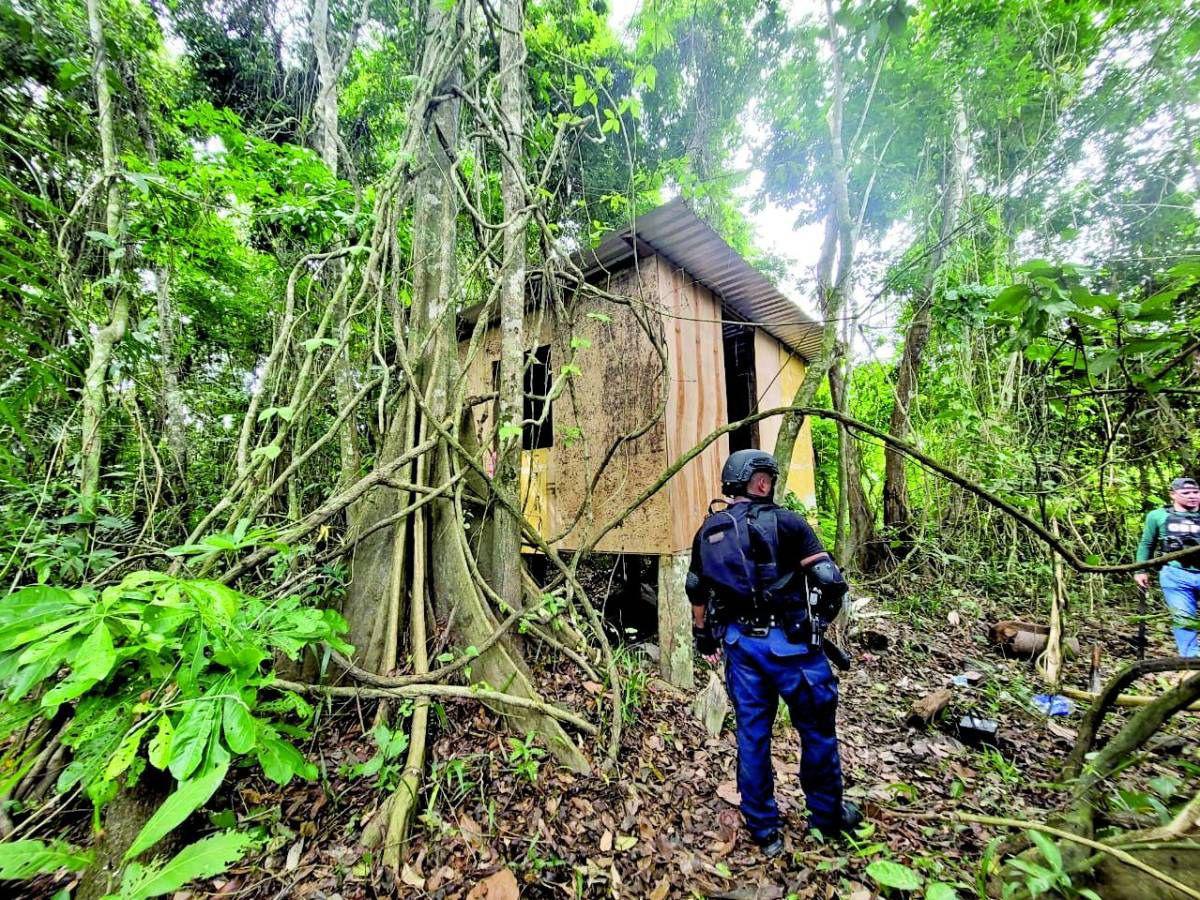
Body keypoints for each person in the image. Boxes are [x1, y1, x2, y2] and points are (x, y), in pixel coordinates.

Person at [687, 449, 862, 857]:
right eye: (768, 477)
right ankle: (826, 816)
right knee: (816, 732)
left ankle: (764, 829)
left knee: (752, 735)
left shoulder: (707, 531)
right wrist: (818, 621)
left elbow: (695, 590)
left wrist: (703, 636)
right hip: (794, 650)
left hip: (740, 649)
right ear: (761, 482)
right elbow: (829, 581)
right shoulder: (788, 523)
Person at [1135, 476, 1200, 658]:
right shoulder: (1158, 516)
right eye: (1186, 493)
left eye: (1195, 492)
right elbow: (1147, 543)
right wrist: (1141, 570)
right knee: (1184, 619)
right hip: (1175, 574)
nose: (1192, 496)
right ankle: (1192, 663)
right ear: (1173, 495)